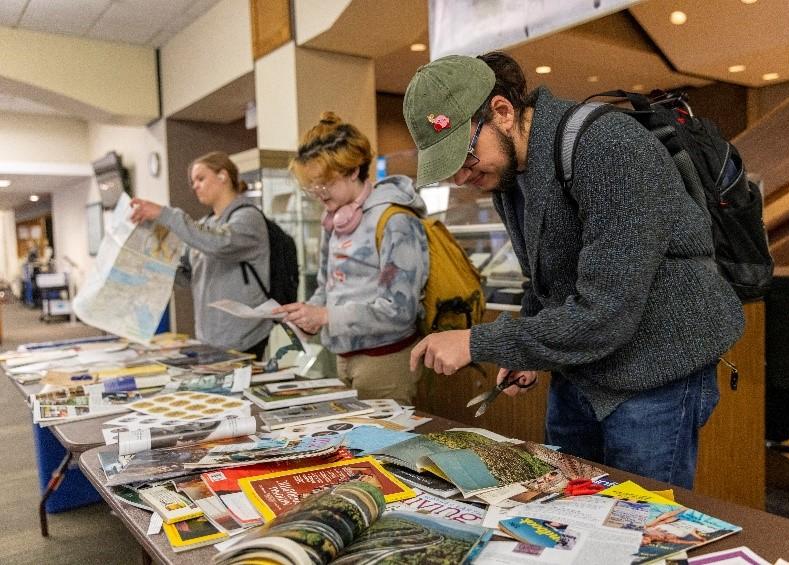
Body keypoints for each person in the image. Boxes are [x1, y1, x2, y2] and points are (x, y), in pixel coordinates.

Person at [403, 52, 745, 488]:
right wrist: (523, 350)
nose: (462, 178)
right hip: (581, 372)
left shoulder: (610, 147)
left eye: (465, 159)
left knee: (641, 526)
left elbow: (607, 310)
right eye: (450, 170)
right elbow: (544, 282)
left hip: (652, 373)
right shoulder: (510, 177)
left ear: (502, 112)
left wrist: (479, 341)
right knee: (565, 510)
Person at [274, 112, 429, 406]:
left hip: (385, 360)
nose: (318, 194)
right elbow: (326, 285)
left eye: (325, 184)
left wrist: (327, 316)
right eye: (312, 187)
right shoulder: (334, 220)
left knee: (383, 446)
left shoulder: (395, 220)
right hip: (342, 357)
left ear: (354, 170)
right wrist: (308, 313)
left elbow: (400, 310)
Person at [130, 151, 273, 357]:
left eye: (200, 178)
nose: (195, 186)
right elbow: (188, 275)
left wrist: (166, 214)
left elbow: (219, 243)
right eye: (193, 181)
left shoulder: (248, 218)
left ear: (223, 176)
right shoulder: (205, 224)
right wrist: (153, 263)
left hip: (243, 337)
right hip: (209, 338)